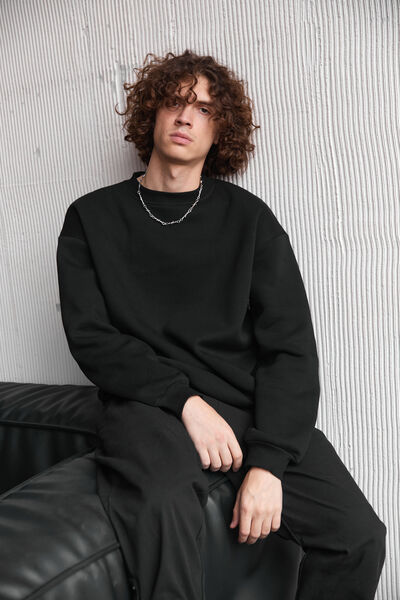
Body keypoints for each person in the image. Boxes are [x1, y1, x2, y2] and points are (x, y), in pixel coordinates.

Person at [56, 49, 387, 600]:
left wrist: (268, 464)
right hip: (147, 403)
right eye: (175, 101)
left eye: (205, 109)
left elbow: (290, 350)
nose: (186, 116)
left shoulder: (249, 219)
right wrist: (184, 403)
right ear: (152, 113)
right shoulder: (91, 217)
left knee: (358, 537)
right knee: (161, 507)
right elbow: (91, 338)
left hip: (244, 400)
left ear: (219, 132)